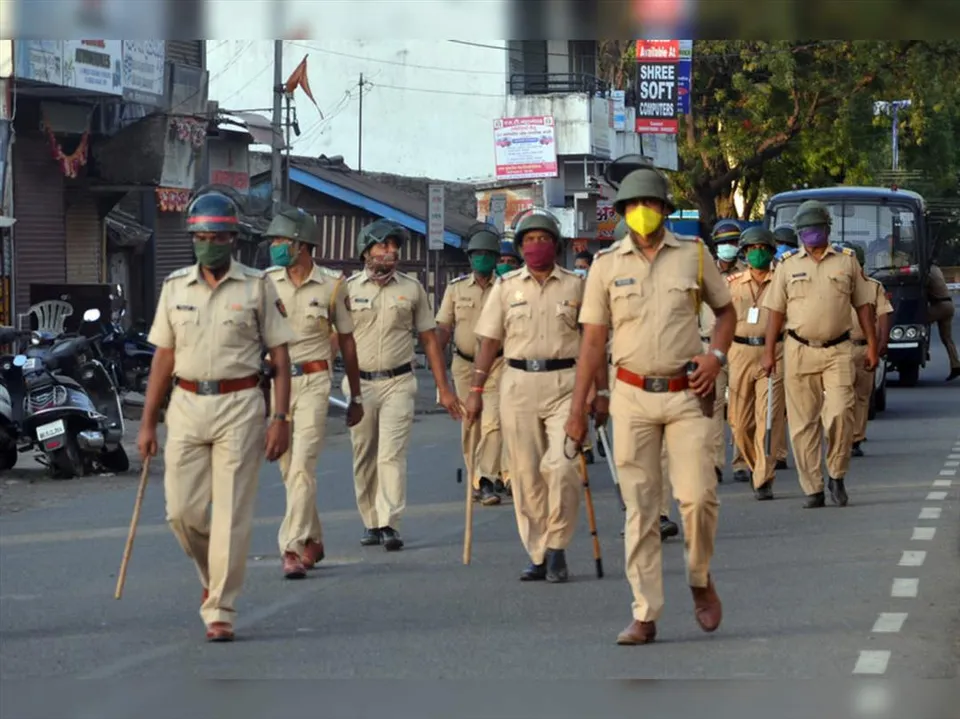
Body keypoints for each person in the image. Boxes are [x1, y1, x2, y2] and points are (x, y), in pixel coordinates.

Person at [566, 167, 735, 644]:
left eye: (650, 204)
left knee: (697, 497)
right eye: (631, 207)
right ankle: (645, 612)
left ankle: (700, 578)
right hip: (631, 396)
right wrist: (580, 409)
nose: (641, 214)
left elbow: (725, 313)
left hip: (687, 393)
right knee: (639, 509)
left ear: (664, 208)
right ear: (622, 214)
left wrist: (716, 356)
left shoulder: (695, 256)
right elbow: (593, 343)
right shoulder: (605, 266)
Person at [137, 191, 295, 642]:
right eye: (201, 236)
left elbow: (280, 358)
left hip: (241, 405)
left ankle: (220, 606)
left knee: (229, 513)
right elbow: (163, 360)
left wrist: (280, 417)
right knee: (181, 513)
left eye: (217, 236)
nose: (208, 244)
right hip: (185, 406)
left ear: (232, 239)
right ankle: (212, 573)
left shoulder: (257, 287)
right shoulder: (174, 288)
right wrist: (148, 422)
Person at [466, 210, 607, 584]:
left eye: (543, 239)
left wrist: (601, 391)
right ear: (519, 247)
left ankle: (558, 543)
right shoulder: (506, 286)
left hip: (566, 384)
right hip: (517, 383)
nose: (535, 246)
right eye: (528, 240)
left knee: (560, 467)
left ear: (555, 245)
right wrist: (476, 391)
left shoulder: (577, 286)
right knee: (526, 474)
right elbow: (489, 342)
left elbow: (594, 343)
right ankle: (539, 553)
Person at [343, 219, 462, 551]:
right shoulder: (347, 290)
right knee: (364, 454)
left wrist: (445, 388)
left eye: (395, 246)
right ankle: (370, 521)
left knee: (391, 455)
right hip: (360, 385)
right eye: (383, 246)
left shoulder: (412, 289)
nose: (391, 251)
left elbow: (429, 339)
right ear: (366, 251)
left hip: (399, 382)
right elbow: (333, 339)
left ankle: (389, 523)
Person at [263, 208, 364, 579]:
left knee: (303, 464)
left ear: (302, 245)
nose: (274, 248)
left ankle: (289, 547)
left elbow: (348, 343)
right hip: (277, 384)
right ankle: (313, 539)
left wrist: (355, 396)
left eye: (280, 241)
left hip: (315, 381)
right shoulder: (266, 283)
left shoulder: (333, 285)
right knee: (291, 471)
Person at [762, 200, 878, 509]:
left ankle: (837, 474)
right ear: (799, 233)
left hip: (839, 350)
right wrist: (769, 352)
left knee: (840, 411)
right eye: (806, 230)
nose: (811, 234)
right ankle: (812, 487)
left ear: (828, 230)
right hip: (798, 349)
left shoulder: (846, 262)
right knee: (802, 423)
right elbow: (775, 311)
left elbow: (864, 306)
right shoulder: (786, 266)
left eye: (817, 228)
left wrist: (873, 344)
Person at [436, 223, 505, 507]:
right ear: (470, 257)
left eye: (488, 254)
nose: (482, 259)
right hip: (463, 364)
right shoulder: (455, 289)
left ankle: (487, 478)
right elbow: (443, 327)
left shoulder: (505, 288)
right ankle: (476, 476)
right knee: (471, 422)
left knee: (494, 422)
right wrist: (435, 359)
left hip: (499, 364)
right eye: (478, 254)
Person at [725, 227, 786, 501]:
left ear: (771, 251)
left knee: (768, 419)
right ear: (745, 252)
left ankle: (764, 477)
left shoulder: (783, 280)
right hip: (739, 353)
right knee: (739, 423)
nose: (757, 253)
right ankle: (754, 464)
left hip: (774, 353)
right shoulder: (732, 283)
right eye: (751, 249)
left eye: (762, 247)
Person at [836, 242, 893, 457]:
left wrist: (881, 344)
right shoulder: (832, 285)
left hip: (862, 347)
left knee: (861, 396)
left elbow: (883, 315)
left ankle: (855, 439)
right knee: (839, 395)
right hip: (839, 347)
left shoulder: (873, 286)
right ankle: (840, 436)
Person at [704, 219, 748, 483]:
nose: (728, 248)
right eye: (723, 243)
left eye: (732, 243)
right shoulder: (703, 271)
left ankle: (742, 460)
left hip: (741, 345)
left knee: (741, 406)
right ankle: (714, 463)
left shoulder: (748, 271)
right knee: (713, 405)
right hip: (709, 346)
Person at [493, 234, 524, 496]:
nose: (506, 264)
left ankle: (512, 475)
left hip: (517, 365)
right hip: (488, 364)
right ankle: (487, 476)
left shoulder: (525, 290)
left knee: (514, 425)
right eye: (501, 260)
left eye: (510, 261)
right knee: (491, 424)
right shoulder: (495, 290)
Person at [925, 262, 959, 381]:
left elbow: (921, 287)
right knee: (947, 338)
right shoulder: (936, 269)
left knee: (918, 322)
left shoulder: (926, 271)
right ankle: (955, 365)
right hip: (948, 304)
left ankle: (922, 351)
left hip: (939, 305)